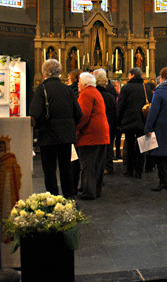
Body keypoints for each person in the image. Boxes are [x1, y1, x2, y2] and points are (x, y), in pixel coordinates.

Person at [29, 59, 82, 198]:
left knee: (50, 171)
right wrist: (69, 126)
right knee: (66, 169)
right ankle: (69, 199)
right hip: (66, 136)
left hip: (47, 135)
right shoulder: (67, 89)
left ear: (44, 72)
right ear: (59, 72)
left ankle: (54, 199)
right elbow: (78, 113)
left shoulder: (42, 89)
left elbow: (35, 114)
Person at [76, 72, 110, 200]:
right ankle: (96, 189)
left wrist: (75, 130)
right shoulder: (96, 92)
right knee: (98, 164)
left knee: (88, 164)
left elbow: (83, 115)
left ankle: (88, 192)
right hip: (101, 134)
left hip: (90, 135)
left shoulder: (86, 93)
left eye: (79, 81)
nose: (78, 84)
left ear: (85, 83)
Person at [117, 67, 153, 178]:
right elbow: (151, 103)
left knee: (130, 146)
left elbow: (121, 105)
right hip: (142, 120)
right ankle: (139, 171)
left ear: (132, 75)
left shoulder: (126, 88)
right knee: (142, 147)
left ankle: (129, 170)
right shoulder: (146, 87)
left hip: (129, 122)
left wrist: (118, 121)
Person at [93, 69, 117, 174]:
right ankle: (108, 165)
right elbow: (115, 111)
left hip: (98, 125)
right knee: (109, 146)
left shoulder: (95, 95)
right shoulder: (110, 96)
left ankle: (101, 166)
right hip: (110, 124)